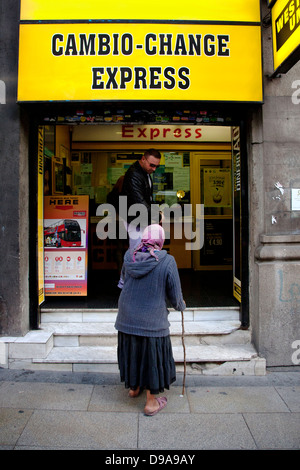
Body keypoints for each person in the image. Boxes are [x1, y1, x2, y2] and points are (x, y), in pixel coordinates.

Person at [115, 224, 186, 416]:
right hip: (152, 320)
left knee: (133, 351)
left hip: (126, 316)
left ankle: (134, 388)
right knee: (151, 357)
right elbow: (175, 295)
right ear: (160, 240)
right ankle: (151, 402)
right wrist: (181, 306)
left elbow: (123, 281)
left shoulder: (129, 255)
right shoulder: (167, 260)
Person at [121, 148, 162, 250]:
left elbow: (148, 198)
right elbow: (140, 201)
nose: (154, 169)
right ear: (143, 159)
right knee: (136, 253)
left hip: (141, 220)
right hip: (135, 221)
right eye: (152, 165)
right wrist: (158, 216)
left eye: (157, 166)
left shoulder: (145, 173)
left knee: (140, 252)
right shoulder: (134, 174)